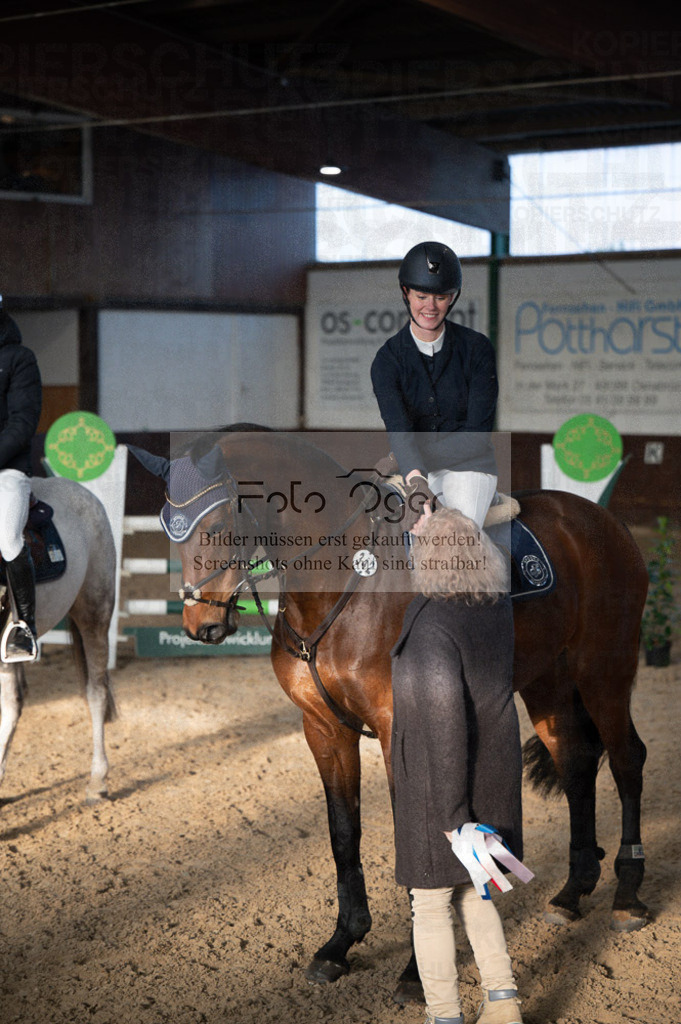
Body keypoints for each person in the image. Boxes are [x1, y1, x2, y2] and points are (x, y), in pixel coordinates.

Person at [391, 507, 531, 1024]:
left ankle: (444, 1014)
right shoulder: (496, 608)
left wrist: (452, 816)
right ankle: (503, 1004)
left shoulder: (429, 623)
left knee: (429, 907)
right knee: (477, 896)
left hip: (441, 786)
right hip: (495, 773)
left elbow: (445, 722)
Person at [371, 241, 499, 529]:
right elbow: (400, 430)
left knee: (454, 539)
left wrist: (401, 459)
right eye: (422, 295)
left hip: (470, 468)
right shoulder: (386, 361)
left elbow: (476, 437)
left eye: (440, 297)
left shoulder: (477, 350)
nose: (430, 306)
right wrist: (415, 478)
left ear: (453, 298)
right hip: (415, 470)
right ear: (406, 292)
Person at [0, 297, 43, 661]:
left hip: (7, 470)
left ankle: (25, 628)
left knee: (7, 539)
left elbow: (23, 423)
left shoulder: (19, 359)